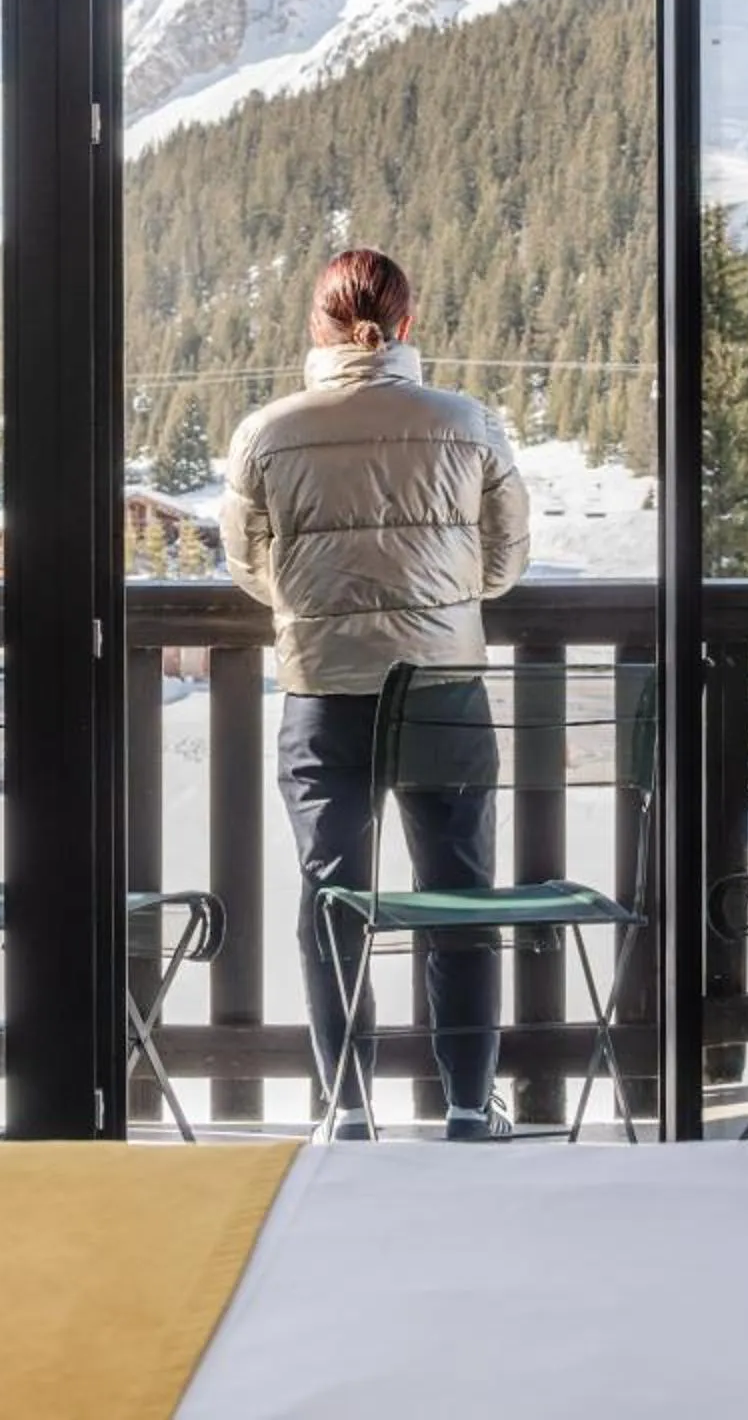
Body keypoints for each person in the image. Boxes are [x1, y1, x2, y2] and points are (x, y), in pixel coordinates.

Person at [220, 247, 530, 1140]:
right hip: (444, 692)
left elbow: (253, 571)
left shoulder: (268, 432)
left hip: (324, 690)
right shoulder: (467, 424)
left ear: (317, 326)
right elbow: (503, 567)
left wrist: (327, 603)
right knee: (460, 896)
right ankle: (469, 1104)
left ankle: (346, 1107)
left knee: (333, 897)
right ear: (407, 322)